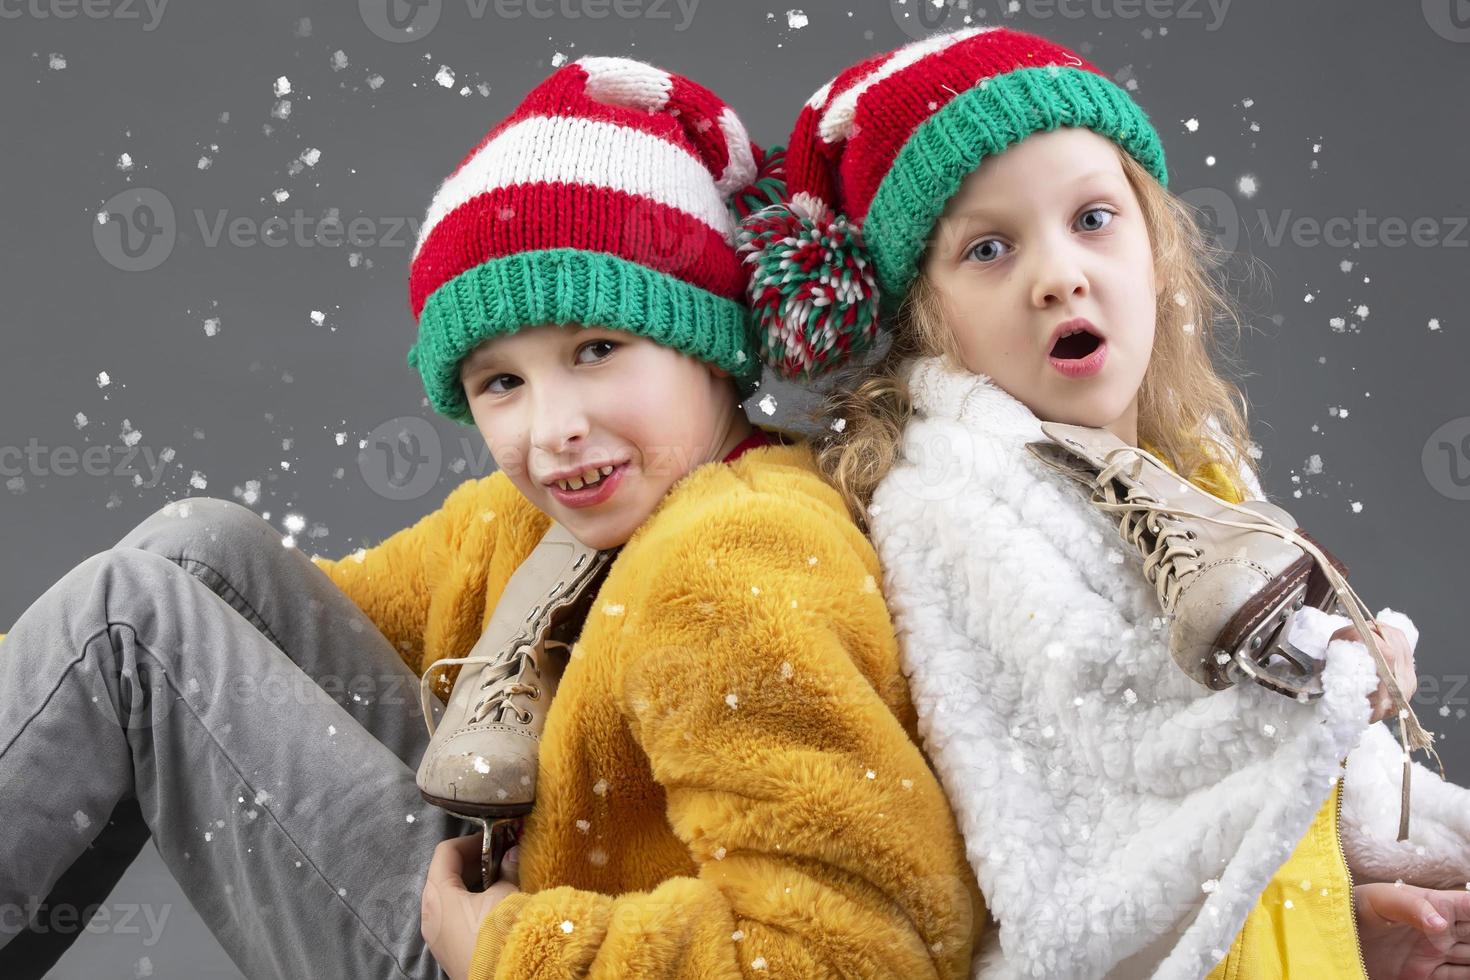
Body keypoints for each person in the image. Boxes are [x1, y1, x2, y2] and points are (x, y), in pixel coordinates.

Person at [0, 55, 983, 980]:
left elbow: (858, 948)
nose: (554, 427)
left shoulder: (739, 557)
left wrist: (520, 947)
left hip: (501, 949)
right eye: (503, 381)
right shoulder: (537, 523)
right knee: (194, 552)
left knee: (131, 619)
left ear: (708, 341)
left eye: (598, 348)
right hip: (488, 881)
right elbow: (238, 668)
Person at [737, 26, 1470, 979]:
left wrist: (1400, 848)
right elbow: (1103, 747)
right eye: (990, 249)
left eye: (1092, 219)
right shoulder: (950, 504)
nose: (1059, 275)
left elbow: (1331, 778)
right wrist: (1317, 687)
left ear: (1157, 246)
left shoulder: (1191, 464)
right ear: (926, 315)